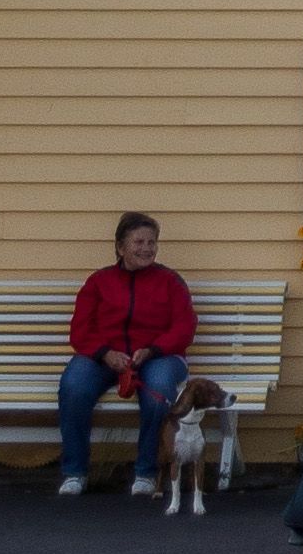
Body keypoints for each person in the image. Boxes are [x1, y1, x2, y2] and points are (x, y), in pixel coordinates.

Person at [52, 212, 195, 501]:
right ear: (120, 247)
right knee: (73, 387)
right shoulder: (98, 282)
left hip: (159, 356)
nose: (146, 248)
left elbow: (185, 326)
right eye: (138, 242)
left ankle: (146, 472)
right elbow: (80, 330)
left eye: (151, 242)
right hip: (104, 357)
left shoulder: (170, 281)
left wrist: (153, 349)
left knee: (159, 392)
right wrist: (105, 353)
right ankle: (75, 473)